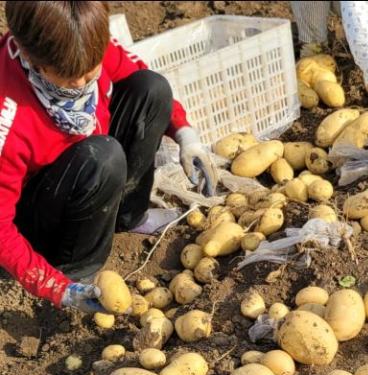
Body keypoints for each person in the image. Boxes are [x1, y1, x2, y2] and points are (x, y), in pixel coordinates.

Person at [0, 1, 216, 313]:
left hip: (86, 164)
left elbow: (139, 74)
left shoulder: (86, 43)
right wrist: (53, 286)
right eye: (68, 78)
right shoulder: (7, 120)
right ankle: (76, 271)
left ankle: (129, 216)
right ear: (28, 55)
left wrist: (184, 133)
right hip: (34, 219)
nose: (81, 85)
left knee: (151, 88)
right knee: (103, 156)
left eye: (90, 73)